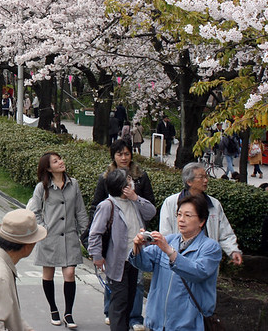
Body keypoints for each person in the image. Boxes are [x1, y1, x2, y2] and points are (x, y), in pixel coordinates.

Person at [88, 139, 155, 329]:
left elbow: (150, 211)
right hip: (117, 258)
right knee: (119, 300)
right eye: (129, 183)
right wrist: (97, 256)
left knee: (132, 294)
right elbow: (95, 233)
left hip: (136, 256)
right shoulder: (108, 205)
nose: (132, 184)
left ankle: (129, 323)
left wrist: (136, 197)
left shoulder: (134, 201)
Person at [130, 194, 221, 331]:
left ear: (202, 221)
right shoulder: (170, 239)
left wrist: (169, 251)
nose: (181, 220)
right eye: (179, 214)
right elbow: (144, 264)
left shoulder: (210, 247)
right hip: (158, 322)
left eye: (188, 215)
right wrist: (137, 247)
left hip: (189, 323)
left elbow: (198, 272)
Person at [26, 152, 88, 329]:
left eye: (60, 159)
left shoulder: (73, 184)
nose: (61, 162)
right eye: (55, 161)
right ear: (48, 167)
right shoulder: (42, 187)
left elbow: (80, 211)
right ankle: (53, 308)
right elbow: (35, 211)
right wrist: (43, 228)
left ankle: (68, 313)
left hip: (69, 237)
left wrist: (86, 237)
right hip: (49, 237)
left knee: (69, 274)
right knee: (49, 274)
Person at [159, 162, 243, 265]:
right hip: (179, 260)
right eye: (201, 177)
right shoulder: (171, 203)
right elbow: (166, 234)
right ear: (189, 181)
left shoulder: (214, 205)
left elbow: (224, 232)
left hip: (206, 259)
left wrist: (233, 250)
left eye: (206, 177)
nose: (206, 180)